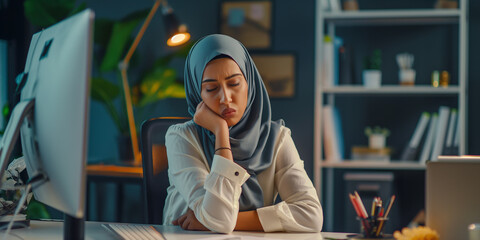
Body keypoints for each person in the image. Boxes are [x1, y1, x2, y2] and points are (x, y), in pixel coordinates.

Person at [163, 34, 323, 233]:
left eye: (234, 84)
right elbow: (219, 218)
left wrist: (226, 222)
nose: (225, 98)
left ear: (250, 83)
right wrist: (221, 133)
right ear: (198, 94)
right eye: (211, 88)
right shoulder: (181, 138)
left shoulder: (276, 138)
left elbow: (311, 214)